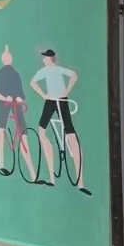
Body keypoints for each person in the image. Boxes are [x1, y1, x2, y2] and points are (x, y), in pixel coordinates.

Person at [31, 49, 89, 193]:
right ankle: (56, 178)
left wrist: (63, 92)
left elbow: (74, 76)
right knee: (45, 131)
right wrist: (46, 95)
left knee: (69, 134)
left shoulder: (52, 69)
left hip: (58, 101)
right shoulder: (48, 70)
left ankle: (77, 181)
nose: (43, 60)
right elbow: (33, 83)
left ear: (50, 58)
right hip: (55, 101)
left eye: (45, 58)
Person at [0, 45, 38, 179]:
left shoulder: (16, 74)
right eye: (6, 56)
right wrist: (5, 98)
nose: (8, 58)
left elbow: (20, 93)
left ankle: (32, 173)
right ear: (3, 59)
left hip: (16, 104)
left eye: (9, 56)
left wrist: (19, 98)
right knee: (1, 129)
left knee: (23, 135)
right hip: (4, 104)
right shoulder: (1, 73)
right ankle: (1, 164)